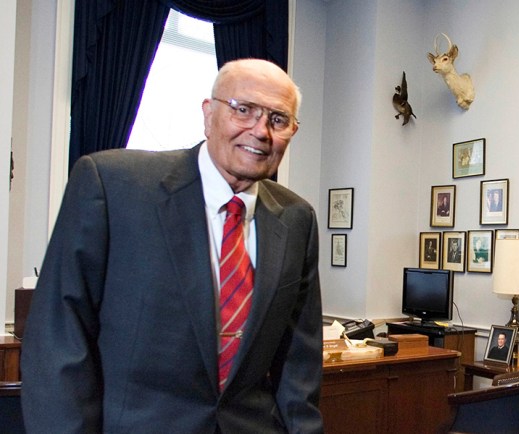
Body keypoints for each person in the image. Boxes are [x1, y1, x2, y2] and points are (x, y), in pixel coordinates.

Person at [21, 59, 323, 434]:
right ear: (208, 113)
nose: (260, 131)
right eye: (243, 110)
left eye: (278, 120)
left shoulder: (297, 219)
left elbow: (299, 361)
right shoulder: (112, 186)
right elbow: (58, 340)